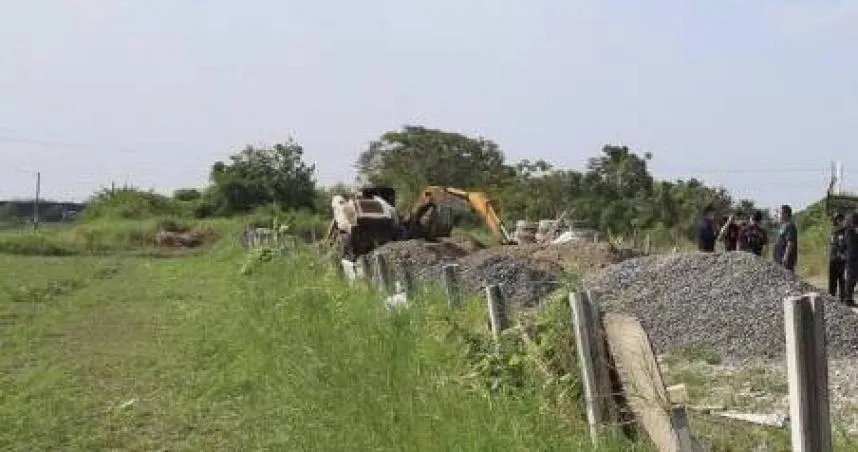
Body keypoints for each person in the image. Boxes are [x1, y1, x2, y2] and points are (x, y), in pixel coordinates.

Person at [773, 204, 798, 272]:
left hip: (786, 261)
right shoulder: (783, 226)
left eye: (780, 213)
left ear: (786, 214)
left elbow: (790, 243)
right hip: (779, 259)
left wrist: (785, 257)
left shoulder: (790, 226)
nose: (779, 215)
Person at [828, 212, 848, 300]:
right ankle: (831, 298)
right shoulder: (833, 231)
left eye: (841, 219)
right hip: (833, 258)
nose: (839, 221)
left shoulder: (846, 232)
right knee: (832, 280)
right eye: (837, 219)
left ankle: (843, 298)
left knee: (842, 280)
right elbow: (832, 244)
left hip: (842, 259)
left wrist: (845, 254)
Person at [844, 212, 858, 305]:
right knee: (851, 279)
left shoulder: (850, 231)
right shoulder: (850, 231)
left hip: (852, 258)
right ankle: (848, 299)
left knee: (851, 279)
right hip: (853, 258)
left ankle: (848, 299)